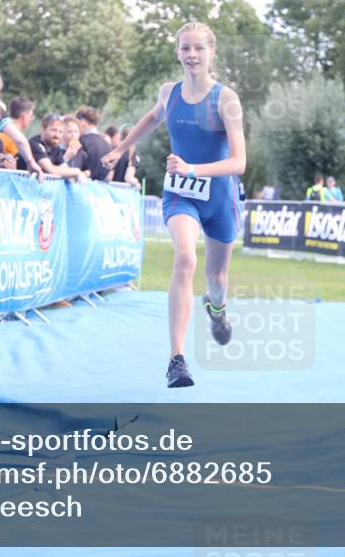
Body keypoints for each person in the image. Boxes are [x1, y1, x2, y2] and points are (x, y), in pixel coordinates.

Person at [100, 21, 246, 388]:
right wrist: (120, 147)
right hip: (181, 195)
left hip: (220, 199)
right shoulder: (170, 93)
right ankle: (177, 359)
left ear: (211, 52)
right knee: (185, 257)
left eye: (199, 48)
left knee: (217, 278)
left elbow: (239, 162)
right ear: (177, 52)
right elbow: (152, 117)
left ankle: (217, 309)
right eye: (185, 48)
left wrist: (193, 168)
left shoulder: (226, 99)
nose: (192, 55)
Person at [24, 113, 85, 180]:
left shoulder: (54, 147)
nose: (57, 135)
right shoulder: (35, 144)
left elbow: (65, 169)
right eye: (53, 130)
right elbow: (51, 170)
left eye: (60, 132)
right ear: (43, 129)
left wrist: (75, 175)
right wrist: (77, 171)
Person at [75, 106, 113, 180]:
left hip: (81, 186)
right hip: (99, 189)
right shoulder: (107, 144)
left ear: (82, 122)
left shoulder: (81, 141)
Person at [111, 123, 141, 187]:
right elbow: (128, 178)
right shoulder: (133, 155)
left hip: (105, 190)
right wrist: (136, 182)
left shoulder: (111, 150)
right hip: (121, 191)